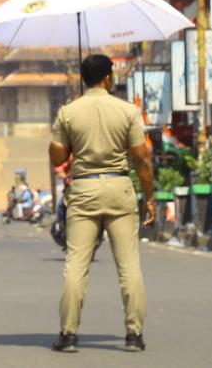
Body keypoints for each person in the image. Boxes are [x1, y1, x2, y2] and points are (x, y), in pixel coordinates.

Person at [48, 54, 155, 354]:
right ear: (108, 78)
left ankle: (68, 335)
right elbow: (141, 159)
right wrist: (149, 198)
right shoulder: (127, 111)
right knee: (129, 266)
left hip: (83, 189)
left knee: (76, 265)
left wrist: (69, 137)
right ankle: (133, 335)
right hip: (119, 186)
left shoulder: (68, 112)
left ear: (83, 79)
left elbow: (57, 157)